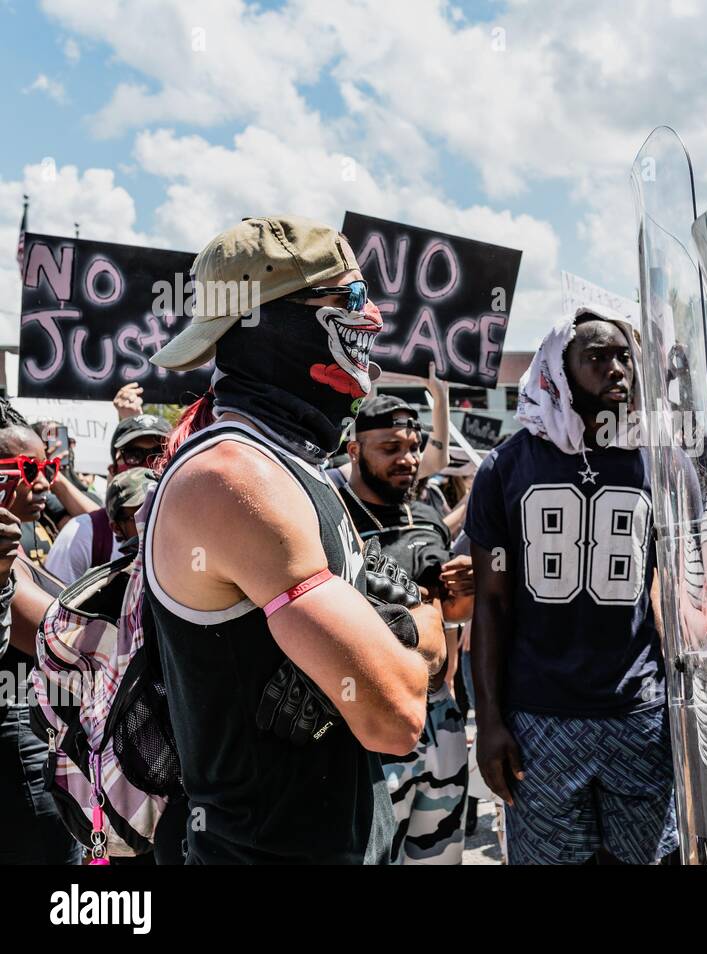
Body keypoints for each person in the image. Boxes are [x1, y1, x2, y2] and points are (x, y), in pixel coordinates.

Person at [144, 215, 438, 864]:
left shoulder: (289, 465)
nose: (374, 322)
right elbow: (395, 716)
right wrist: (415, 628)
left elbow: (393, 660)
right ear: (267, 320)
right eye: (353, 301)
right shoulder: (231, 480)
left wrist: (392, 634)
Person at [467, 307, 678, 865]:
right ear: (559, 371)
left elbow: (678, 589)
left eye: (624, 356)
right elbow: (489, 603)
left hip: (638, 711)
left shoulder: (656, 460)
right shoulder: (505, 467)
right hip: (541, 716)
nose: (617, 369)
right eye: (597, 357)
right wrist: (489, 720)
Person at [337, 393, 474, 864]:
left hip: (440, 717)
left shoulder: (430, 516)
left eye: (413, 446)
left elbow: (450, 616)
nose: (408, 459)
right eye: (390, 448)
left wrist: (463, 590)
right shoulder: (331, 515)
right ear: (354, 450)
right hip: (374, 719)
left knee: (439, 854)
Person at [0, 401, 80, 863]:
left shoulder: (22, 543)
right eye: (30, 468)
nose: (46, 481)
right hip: (19, 759)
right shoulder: (6, 558)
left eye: (48, 465)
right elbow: (65, 638)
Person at [45, 414, 171, 583]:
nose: (147, 465)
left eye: (159, 455)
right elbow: (53, 606)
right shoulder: (82, 534)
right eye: (133, 455)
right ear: (113, 470)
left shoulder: (195, 531)